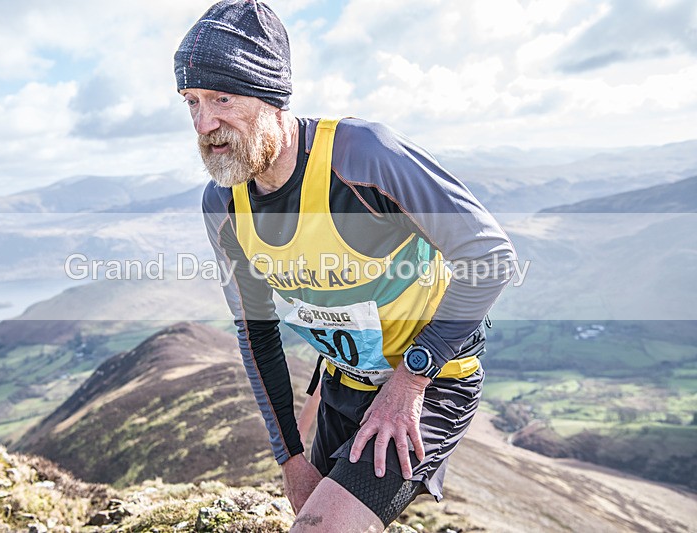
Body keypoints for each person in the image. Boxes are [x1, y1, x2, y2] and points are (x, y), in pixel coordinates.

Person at [174, 1, 516, 531]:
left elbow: (490, 257)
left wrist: (409, 382)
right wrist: (289, 456)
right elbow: (255, 332)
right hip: (343, 386)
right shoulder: (222, 205)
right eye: (191, 101)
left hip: (433, 379)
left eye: (222, 98)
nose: (205, 123)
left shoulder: (361, 158)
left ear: (271, 96)